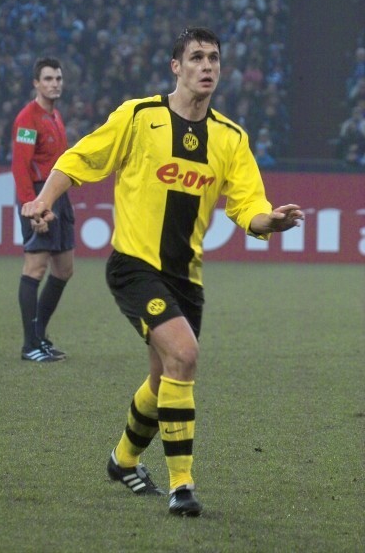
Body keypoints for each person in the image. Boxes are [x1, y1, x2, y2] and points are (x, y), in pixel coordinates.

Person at [22, 28, 304, 514]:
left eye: (213, 58)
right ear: (176, 66)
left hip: (185, 278)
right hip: (134, 265)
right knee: (185, 354)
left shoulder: (230, 138)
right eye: (196, 57)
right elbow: (81, 158)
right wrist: (44, 198)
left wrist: (269, 221)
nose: (207, 66)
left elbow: (248, 205)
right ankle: (182, 487)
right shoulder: (139, 116)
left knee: (164, 377)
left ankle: (123, 460)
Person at [12, 57, 74, 362]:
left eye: (58, 78)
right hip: (38, 197)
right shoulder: (27, 119)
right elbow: (20, 167)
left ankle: (39, 335)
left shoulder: (55, 116)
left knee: (64, 269)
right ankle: (30, 346)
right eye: (48, 79)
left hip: (58, 196)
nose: (54, 84)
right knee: (35, 268)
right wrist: (33, 208)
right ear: (36, 83)